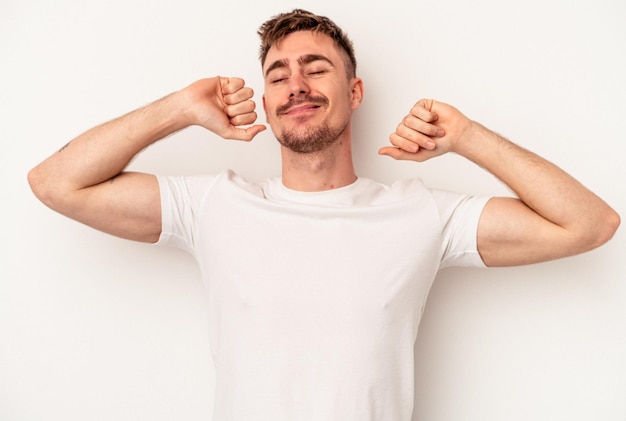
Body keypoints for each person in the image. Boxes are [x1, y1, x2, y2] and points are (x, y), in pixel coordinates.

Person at [28, 8, 619, 421]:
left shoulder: (419, 214)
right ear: (265, 102)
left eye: (316, 67)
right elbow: (55, 183)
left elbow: (590, 224)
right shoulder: (212, 205)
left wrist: (465, 136)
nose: (296, 86)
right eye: (278, 75)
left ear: (354, 91)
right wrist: (179, 108)